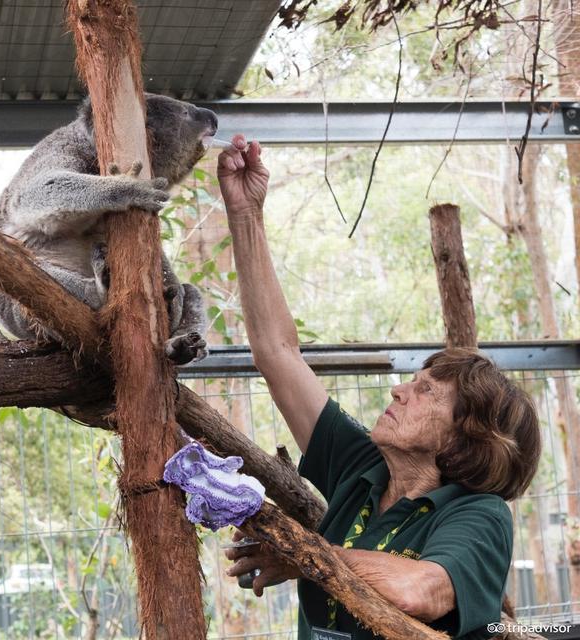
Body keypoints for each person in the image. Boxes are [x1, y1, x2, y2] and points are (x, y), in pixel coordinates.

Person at [215, 135, 542, 640]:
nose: (398, 393)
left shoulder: (479, 514)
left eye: (427, 391)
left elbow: (419, 590)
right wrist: (245, 213)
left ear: (465, 436)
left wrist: (305, 555)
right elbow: (278, 354)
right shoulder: (362, 467)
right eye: (412, 382)